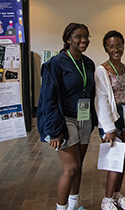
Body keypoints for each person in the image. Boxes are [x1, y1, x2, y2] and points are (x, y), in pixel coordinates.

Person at [37, 23, 97, 210]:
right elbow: (48, 99)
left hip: (84, 117)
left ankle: (74, 205)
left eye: (86, 36)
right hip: (65, 119)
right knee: (70, 169)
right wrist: (54, 131)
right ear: (68, 39)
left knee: (78, 166)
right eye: (79, 36)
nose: (84, 40)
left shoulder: (88, 63)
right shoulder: (56, 63)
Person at [95, 30, 125, 210]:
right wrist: (108, 128)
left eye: (119, 45)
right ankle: (107, 200)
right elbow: (101, 100)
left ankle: (117, 196)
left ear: (123, 46)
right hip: (111, 119)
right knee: (114, 159)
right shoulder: (101, 70)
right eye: (111, 46)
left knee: (122, 158)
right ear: (106, 48)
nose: (116, 49)